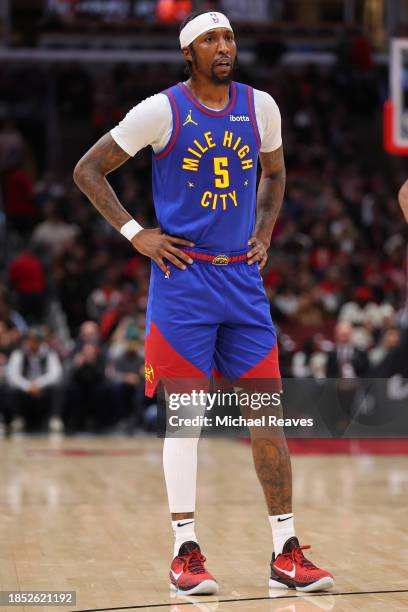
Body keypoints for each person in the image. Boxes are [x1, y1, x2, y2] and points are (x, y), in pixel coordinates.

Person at [73, 10, 334, 595]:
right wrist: (135, 233)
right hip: (183, 280)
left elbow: (275, 174)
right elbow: (88, 170)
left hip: (242, 280)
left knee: (268, 415)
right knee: (186, 419)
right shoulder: (160, 110)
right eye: (211, 39)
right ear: (188, 53)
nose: (224, 46)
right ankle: (184, 551)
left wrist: (265, 230)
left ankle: (285, 552)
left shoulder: (261, 105)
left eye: (230, 37)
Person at [7, 327, 63, 433]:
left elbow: (55, 374)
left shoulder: (50, 353)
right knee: (11, 390)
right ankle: (17, 419)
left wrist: (38, 384)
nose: (34, 342)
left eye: (37, 340)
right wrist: (28, 386)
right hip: (25, 391)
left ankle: (55, 419)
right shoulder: (18, 353)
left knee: (58, 388)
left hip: (43, 390)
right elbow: (13, 375)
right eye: (31, 339)